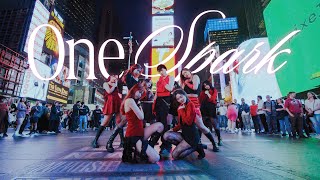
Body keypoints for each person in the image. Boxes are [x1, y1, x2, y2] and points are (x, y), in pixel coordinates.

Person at [121, 84, 164, 163]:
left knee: (160, 126)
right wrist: (140, 106)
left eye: (141, 93)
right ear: (134, 90)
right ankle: (139, 152)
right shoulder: (130, 100)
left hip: (140, 132)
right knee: (155, 158)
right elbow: (141, 117)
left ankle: (149, 146)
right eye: (139, 92)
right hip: (133, 135)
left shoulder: (136, 102)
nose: (140, 95)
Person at [180, 68, 219, 151]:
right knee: (188, 124)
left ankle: (214, 143)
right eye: (183, 74)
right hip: (186, 102)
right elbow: (182, 91)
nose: (185, 75)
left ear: (189, 71)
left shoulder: (195, 77)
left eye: (186, 72)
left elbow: (195, 87)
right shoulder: (184, 81)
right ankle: (197, 144)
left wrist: (187, 83)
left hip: (194, 103)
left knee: (201, 125)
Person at [163, 90, 206, 159]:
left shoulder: (190, 105)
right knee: (166, 135)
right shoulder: (181, 106)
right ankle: (195, 146)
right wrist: (173, 129)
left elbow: (188, 122)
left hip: (192, 137)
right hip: (184, 135)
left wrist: (181, 110)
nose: (180, 99)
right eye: (178, 99)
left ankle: (195, 147)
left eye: (181, 97)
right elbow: (181, 124)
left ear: (185, 95)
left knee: (175, 156)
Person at [91, 74, 123, 152]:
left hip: (117, 102)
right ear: (110, 77)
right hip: (110, 103)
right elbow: (109, 91)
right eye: (114, 77)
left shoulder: (116, 85)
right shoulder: (106, 83)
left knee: (119, 122)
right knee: (105, 122)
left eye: (117, 78)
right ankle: (95, 140)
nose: (115, 79)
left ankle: (123, 141)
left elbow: (117, 94)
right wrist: (115, 85)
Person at [152, 64, 175, 157]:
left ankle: (166, 144)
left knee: (165, 123)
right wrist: (154, 103)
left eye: (162, 70)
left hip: (166, 100)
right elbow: (157, 92)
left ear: (166, 69)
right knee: (159, 122)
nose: (161, 72)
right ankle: (162, 143)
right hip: (159, 101)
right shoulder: (158, 80)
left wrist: (163, 81)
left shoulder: (171, 77)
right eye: (159, 71)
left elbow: (170, 88)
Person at [199, 80, 222, 146]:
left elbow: (212, 99)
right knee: (201, 124)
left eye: (207, 85)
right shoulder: (202, 92)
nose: (206, 86)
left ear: (210, 84)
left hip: (211, 108)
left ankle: (219, 139)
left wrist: (208, 94)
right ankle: (199, 140)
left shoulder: (214, 90)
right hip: (203, 108)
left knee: (214, 124)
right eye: (204, 85)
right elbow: (200, 101)